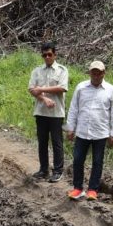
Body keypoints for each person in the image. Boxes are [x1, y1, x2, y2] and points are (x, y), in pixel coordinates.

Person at [65, 60, 113, 200]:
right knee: (78, 160)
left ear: (104, 73)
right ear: (90, 73)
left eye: (99, 72)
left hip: (100, 133)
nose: (96, 75)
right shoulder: (81, 88)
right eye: (94, 72)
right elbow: (74, 109)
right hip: (82, 131)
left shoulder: (110, 90)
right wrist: (70, 128)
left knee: (97, 161)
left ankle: (92, 190)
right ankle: (77, 188)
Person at [27, 41, 69, 182]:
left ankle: (57, 171)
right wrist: (43, 99)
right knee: (42, 142)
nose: (47, 57)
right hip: (41, 111)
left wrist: (42, 89)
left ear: (55, 54)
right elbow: (32, 89)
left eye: (49, 54)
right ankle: (43, 169)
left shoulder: (62, 70)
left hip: (56, 113)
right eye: (44, 55)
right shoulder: (36, 71)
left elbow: (62, 88)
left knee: (57, 142)